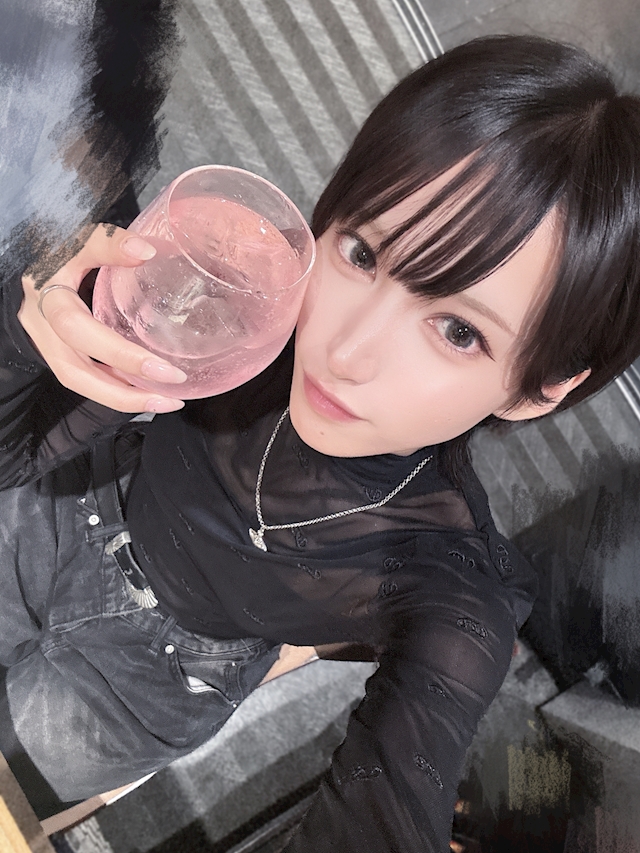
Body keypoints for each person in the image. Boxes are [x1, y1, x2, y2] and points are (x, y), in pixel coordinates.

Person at [3, 33, 640, 852]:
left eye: (458, 330)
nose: (345, 351)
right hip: (66, 506)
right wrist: (27, 333)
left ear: (538, 387)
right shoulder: (233, 306)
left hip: (148, 683)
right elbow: (14, 456)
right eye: (363, 252)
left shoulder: (451, 584)